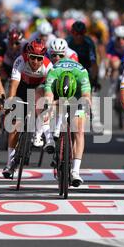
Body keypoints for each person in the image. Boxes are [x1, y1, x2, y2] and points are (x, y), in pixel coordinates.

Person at [2, 39, 54, 179]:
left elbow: (50, 90)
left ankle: (38, 133)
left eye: (39, 59)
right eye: (32, 58)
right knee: (15, 125)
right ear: (27, 55)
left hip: (40, 88)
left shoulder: (49, 66)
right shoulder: (20, 60)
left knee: (43, 102)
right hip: (22, 88)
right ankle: (9, 163)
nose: (35, 62)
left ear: (43, 58)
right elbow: (13, 86)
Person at [44, 58, 92, 187]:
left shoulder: (82, 73)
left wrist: (85, 108)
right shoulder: (53, 72)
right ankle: (53, 139)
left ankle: (75, 171)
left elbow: (86, 97)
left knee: (79, 130)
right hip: (58, 94)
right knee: (48, 109)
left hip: (77, 96)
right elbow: (48, 96)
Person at [66, 21, 99, 91]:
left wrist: (94, 80)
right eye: (76, 33)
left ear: (85, 33)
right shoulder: (67, 42)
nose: (78, 36)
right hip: (70, 66)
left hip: (85, 67)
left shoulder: (89, 43)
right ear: (72, 33)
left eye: (81, 34)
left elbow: (93, 63)